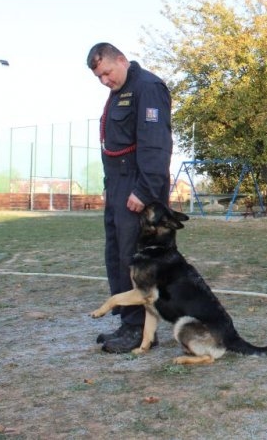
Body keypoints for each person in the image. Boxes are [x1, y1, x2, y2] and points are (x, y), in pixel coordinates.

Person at [87, 42, 173, 353]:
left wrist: (145, 191)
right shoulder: (120, 91)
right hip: (118, 186)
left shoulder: (147, 87)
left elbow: (156, 145)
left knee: (134, 259)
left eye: (107, 73)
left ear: (121, 60)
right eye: (99, 77)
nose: (104, 81)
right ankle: (129, 323)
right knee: (116, 256)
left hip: (138, 187)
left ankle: (138, 329)